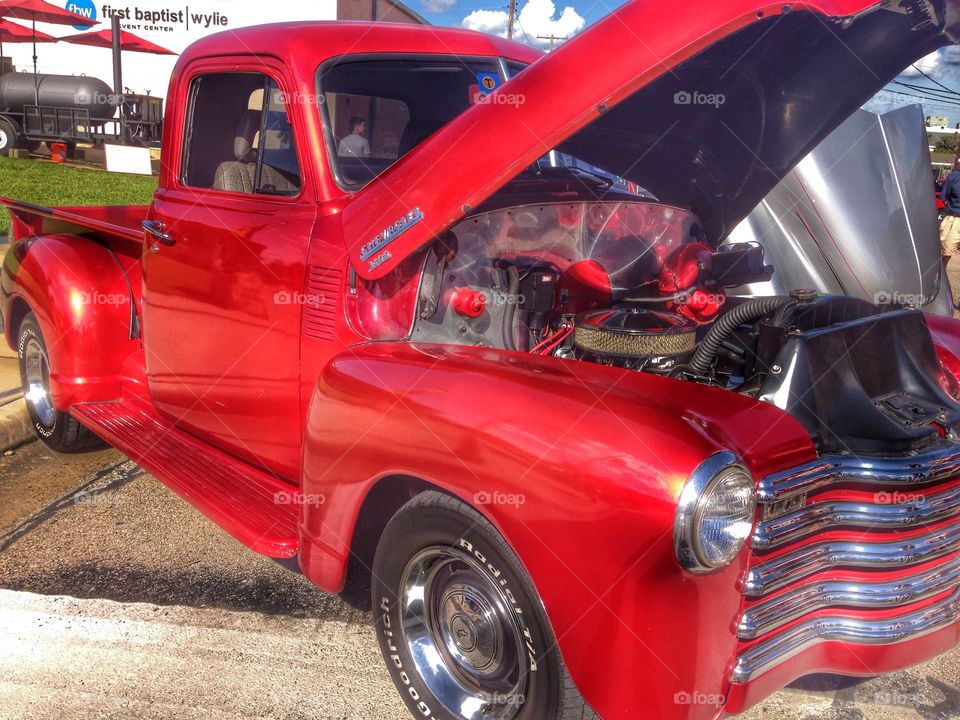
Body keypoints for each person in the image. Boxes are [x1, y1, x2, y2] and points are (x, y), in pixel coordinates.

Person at [940, 162, 960, 268]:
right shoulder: (954, 177)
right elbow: (944, 198)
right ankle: (940, 281)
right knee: (945, 253)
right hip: (955, 221)